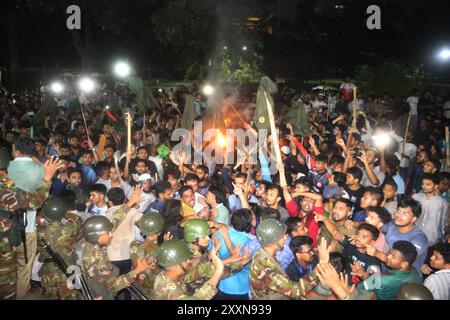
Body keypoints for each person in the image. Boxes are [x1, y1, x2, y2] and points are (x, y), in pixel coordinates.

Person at [3, 143, 62, 299]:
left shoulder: (7, 170)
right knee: (23, 266)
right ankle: (20, 294)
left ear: (16, 151)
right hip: (23, 229)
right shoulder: (39, 169)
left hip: (8, 231)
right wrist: (47, 176)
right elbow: (34, 202)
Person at [80, 190, 151, 300]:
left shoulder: (90, 244)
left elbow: (115, 220)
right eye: (108, 233)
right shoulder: (98, 259)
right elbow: (113, 286)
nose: (111, 234)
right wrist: (137, 270)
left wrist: (130, 202)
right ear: (98, 236)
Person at [249, 219, 320, 300]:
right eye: (282, 236)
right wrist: (320, 268)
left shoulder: (261, 253)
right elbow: (296, 291)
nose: (286, 238)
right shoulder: (267, 266)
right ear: (274, 241)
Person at [36, 196, 82, 300]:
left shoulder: (38, 231)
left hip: (49, 271)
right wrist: (64, 212)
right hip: (67, 269)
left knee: (51, 295)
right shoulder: (71, 228)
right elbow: (79, 219)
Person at [369, 197, 428, 273]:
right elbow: (377, 226)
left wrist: (377, 254)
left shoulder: (419, 238)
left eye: (404, 213)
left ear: (413, 219)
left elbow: (401, 263)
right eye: (398, 211)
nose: (398, 215)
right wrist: (354, 224)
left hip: (404, 278)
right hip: (384, 270)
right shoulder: (392, 224)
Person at [153, 240, 224, 300]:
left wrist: (211, 255)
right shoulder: (170, 290)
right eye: (186, 260)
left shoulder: (169, 274)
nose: (189, 261)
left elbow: (191, 274)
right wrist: (218, 271)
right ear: (176, 266)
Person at [104, 187, 143, 291]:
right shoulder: (133, 211)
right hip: (129, 255)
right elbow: (145, 225)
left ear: (110, 202)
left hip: (112, 257)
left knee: (116, 286)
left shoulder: (107, 214)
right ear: (124, 198)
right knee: (129, 285)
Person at [130, 213, 165, 299]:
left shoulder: (134, 245)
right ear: (159, 232)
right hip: (153, 290)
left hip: (138, 286)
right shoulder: (159, 251)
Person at [412, 173, 448, 246]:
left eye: (428, 184)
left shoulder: (442, 202)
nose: (424, 187)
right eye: (423, 184)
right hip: (413, 235)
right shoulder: (415, 197)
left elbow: (442, 223)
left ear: (435, 186)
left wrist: (442, 239)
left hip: (431, 240)